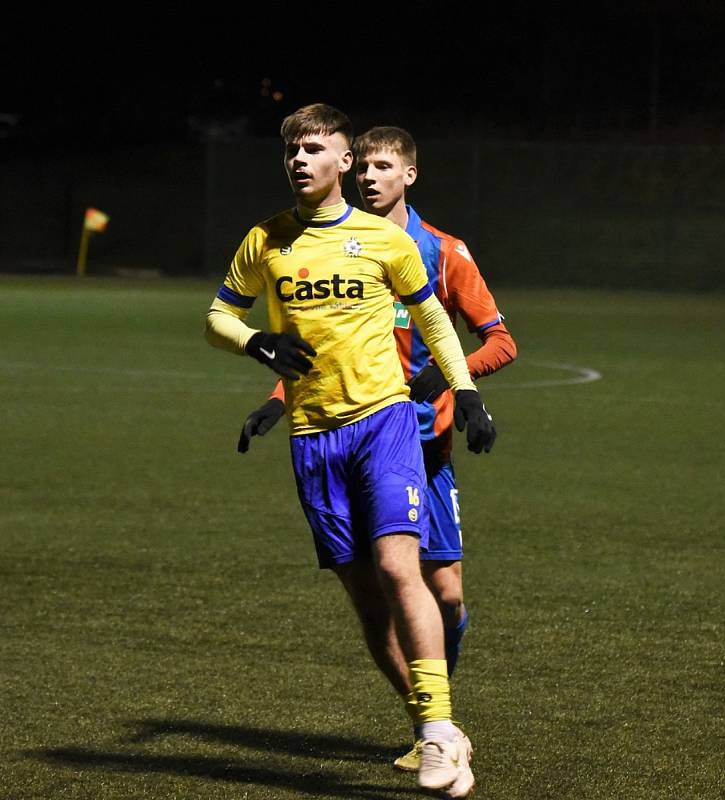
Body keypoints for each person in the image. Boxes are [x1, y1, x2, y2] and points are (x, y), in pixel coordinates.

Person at [205, 104, 495, 798]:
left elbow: (432, 318)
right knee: (367, 601)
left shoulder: (384, 242)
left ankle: (433, 732)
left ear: (342, 160)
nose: (299, 160)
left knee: (402, 568)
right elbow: (218, 314)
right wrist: (255, 342)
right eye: (291, 151)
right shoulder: (265, 241)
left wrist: (467, 391)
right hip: (313, 435)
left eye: (314, 149)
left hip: (385, 423)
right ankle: (436, 727)